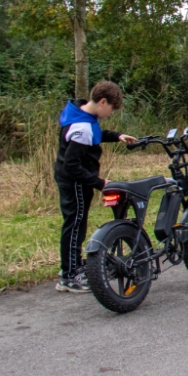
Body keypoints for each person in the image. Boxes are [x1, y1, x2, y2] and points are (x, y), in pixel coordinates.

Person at [54, 81, 137, 293]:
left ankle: (72, 265)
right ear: (102, 102)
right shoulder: (82, 127)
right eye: (111, 109)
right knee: (75, 224)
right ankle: (69, 276)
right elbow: (72, 165)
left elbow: (95, 135)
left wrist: (116, 136)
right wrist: (100, 183)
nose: (110, 113)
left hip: (75, 180)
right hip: (75, 182)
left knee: (76, 223)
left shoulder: (82, 114)